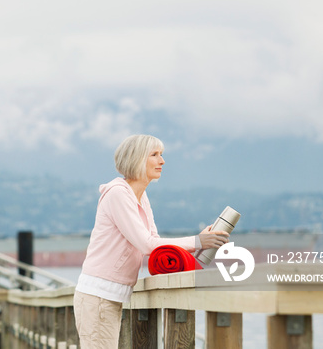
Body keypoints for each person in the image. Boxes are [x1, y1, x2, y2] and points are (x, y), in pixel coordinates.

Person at [74, 134, 229, 349]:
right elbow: (146, 244)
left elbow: (153, 241)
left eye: (161, 155)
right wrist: (198, 241)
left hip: (108, 295)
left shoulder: (140, 196)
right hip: (98, 295)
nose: (162, 161)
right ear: (137, 159)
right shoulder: (118, 195)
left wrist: (197, 241)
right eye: (155, 155)